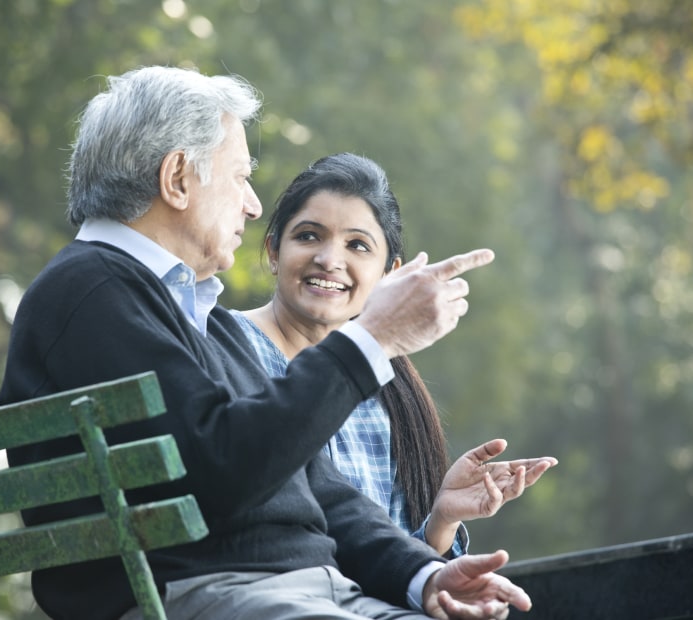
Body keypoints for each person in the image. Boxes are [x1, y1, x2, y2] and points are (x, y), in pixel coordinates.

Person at [0, 65, 531, 620]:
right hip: (213, 595)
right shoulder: (92, 288)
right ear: (177, 177)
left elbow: (319, 492)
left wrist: (424, 574)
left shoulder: (201, 319)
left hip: (307, 593)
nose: (253, 205)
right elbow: (222, 471)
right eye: (239, 177)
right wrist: (371, 338)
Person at [232, 152, 558, 557]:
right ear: (274, 251)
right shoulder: (224, 344)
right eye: (308, 236)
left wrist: (442, 519)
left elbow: (395, 569)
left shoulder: (386, 390)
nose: (330, 260)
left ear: (391, 274)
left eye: (357, 245)